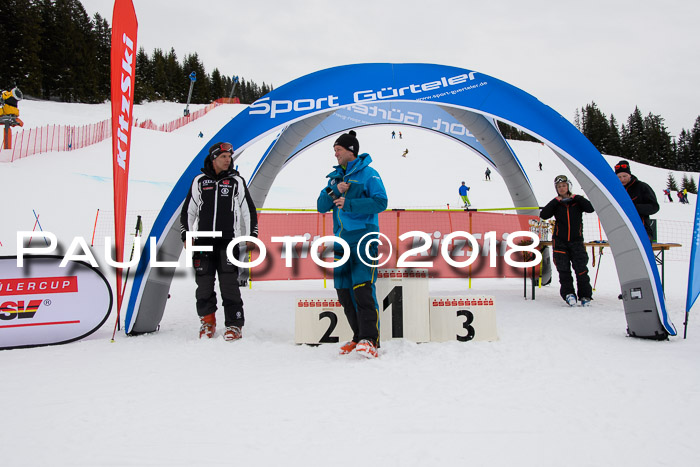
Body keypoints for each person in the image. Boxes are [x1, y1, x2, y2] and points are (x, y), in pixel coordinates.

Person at [317, 130, 388, 358]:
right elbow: (320, 205)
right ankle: (358, 337)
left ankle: (370, 340)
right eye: (335, 150)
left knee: (363, 288)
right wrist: (335, 191)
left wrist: (349, 203)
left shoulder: (369, 174)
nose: (335, 154)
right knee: (344, 292)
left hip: (363, 239)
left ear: (351, 151)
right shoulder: (335, 179)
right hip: (340, 244)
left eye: (338, 150)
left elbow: (380, 202)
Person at [181, 142, 258, 341]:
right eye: (223, 156)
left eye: (229, 157)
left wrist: (251, 235)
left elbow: (247, 210)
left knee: (229, 285)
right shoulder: (199, 180)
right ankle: (207, 322)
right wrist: (187, 236)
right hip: (203, 242)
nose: (228, 160)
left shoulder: (236, 181)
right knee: (204, 285)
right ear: (214, 158)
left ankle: (234, 325)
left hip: (227, 242)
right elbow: (188, 211)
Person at [540, 175, 595, 307]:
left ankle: (585, 295)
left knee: (581, 269)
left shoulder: (577, 201)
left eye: (564, 186)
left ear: (568, 186)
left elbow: (590, 208)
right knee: (563, 270)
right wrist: (555, 201)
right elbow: (544, 215)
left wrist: (577, 197)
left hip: (576, 241)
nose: (562, 188)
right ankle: (568, 294)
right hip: (560, 242)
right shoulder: (557, 203)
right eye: (559, 187)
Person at [614, 160, 659, 242]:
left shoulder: (642, 187)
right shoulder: (615, 190)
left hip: (642, 230)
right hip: (621, 230)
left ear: (629, 175)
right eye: (619, 177)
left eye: (624, 176)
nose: (622, 179)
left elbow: (654, 207)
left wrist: (634, 208)